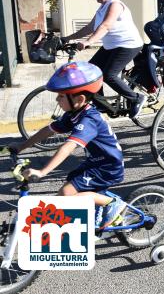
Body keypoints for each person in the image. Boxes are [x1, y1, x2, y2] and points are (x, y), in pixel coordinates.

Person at [8, 62, 126, 229]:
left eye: (61, 96)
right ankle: (96, 212)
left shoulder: (89, 120)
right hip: (96, 162)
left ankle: (112, 203)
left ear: (79, 99)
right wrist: (22, 146)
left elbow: (67, 147)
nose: (57, 99)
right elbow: (48, 130)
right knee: (70, 186)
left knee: (65, 195)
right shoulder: (74, 114)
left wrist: (42, 171)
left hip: (108, 167)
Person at [62, 0, 146, 119]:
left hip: (128, 44)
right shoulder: (102, 7)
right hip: (112, 46)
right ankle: (101, 104)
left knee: (108, 75)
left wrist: (89, 42)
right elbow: (90, 27)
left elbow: (105, 25)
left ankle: (136, 98)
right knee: (91, 71)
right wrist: (67, 38)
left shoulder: (115, 4)